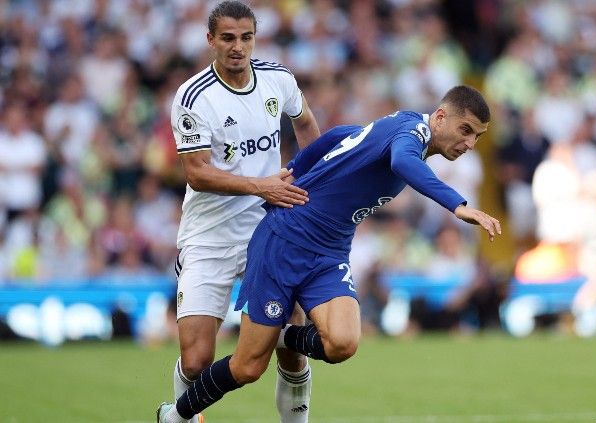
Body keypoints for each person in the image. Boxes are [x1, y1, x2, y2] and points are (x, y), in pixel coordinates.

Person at [156, 85, 500, 423]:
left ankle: (279, 333)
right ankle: (174, 416)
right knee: (248, 367)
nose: (470, 143)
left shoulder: (403, 123)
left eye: (478, 137)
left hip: (330, 252)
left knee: (343, 343)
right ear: (441, 117)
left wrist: (295, 168)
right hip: (286, 242)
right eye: (465, 130)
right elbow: (402, 161)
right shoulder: (412, 134)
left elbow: (342, 135)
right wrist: (458, 205)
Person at [167, 2, 320, 423]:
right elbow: (197, 173)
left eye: (246, 37)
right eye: (228, 38)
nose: (238, 47)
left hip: (266, 231)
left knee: (291, 337)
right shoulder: (193, 96)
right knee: (197, 360)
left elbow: (305, 124)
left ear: (256, 38)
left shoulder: (278, 79)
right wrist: (262, 185)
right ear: (211, 40)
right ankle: (181, 415)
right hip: (209, 236)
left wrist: (313, 176)